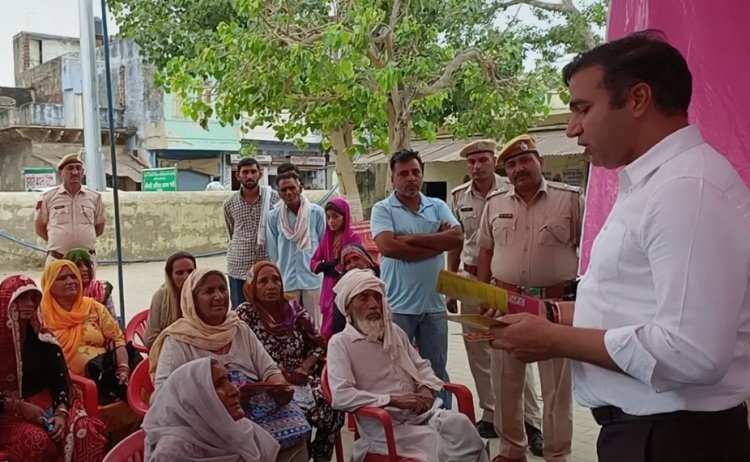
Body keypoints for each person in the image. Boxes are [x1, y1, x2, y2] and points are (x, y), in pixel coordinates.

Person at [486, 31, 750, 461]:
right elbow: (633, 306)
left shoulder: (686, 189)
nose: (572, 129)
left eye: (583, 109)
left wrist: (554, 340)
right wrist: (545, 314)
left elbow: (692, 352)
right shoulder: (656, 184)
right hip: (650, 433)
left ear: (638, 99)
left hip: (673, 440)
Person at [476, 133, 582, 462]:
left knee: (556, 389)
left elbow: (589, 252)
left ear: (541, 163)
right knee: (506, 384)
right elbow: (485, 250)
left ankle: (557, 453)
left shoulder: (571, 200)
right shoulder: (495, 203)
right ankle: (511, 451)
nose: (519, 168)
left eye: (525, 160)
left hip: (554, 307)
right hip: (506, 304)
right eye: (511, 164)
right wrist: (483, 294)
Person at [328, 269, 489, 462]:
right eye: (363, 298)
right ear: (348, 308)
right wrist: (393, 400)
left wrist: (425, 388)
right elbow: (341, 396)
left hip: (422, 415)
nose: (373, 305)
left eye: (377, 297)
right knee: (442, 445)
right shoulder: (340, 343)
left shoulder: (394, 332)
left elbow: (421, 367)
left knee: (461, 425)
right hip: (387, 426)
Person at [150, 268, 309, 461]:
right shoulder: (178, 340)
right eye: (209, 292)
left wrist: (279, 386)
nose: (219, 296)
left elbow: (268, 369)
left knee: (297, 431)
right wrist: (212, 397)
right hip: (206, 420)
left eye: (223, 289)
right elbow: (164, 395)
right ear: (192, 299)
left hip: (249, 407)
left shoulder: (238, 328)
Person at [447, 139, 544, 451]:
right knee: (477, 351)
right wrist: (451, 282)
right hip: (471, 281)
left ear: (494, 162)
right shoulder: (458, 196)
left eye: (483, 160)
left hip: (504, 285)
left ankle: (531, 422)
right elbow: (456, 241)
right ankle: (491, 413)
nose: (477, 166)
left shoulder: (509, 190)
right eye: (472, 162)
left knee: (514, 350)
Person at [370, 149, 462, 408]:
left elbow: (456, 238)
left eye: (415, 172)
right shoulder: (382, 209)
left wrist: (410, 238)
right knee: (397, 370)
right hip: (399, 308)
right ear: (393, 179)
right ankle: (405, 422)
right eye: (403, 174)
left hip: (434, 306)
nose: (410, 178)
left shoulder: (438, 206)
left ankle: (443, 421)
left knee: (436, 371)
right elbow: (389, 248)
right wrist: (437, 243)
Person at [237, 261, 345, 462]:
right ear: (252, 286)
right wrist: (278, 376)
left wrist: (304, 366)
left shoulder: (294, 310)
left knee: (333, 406)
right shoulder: (245, 315)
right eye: (263, 281)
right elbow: (243, 357)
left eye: (276, 280)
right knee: (294, 413)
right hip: (268, 385)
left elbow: (318, 345)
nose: (271, 286)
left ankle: (320, 457)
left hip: (302, 378)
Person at [0, 275, 107, 462]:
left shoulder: (43, 338)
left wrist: (61, 411)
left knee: (84, 429)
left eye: (33, 298)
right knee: (38, 441)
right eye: (21, 299)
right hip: (7, 413)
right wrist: (18, 405)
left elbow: (59, 379)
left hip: (47, 403)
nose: (29, 304)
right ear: (6, 302)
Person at [40, 260, 138, 440]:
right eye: (62, 278)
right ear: (49, 284)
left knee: (145, 387)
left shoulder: (93, 307)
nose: (70, 281)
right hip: (71, 381)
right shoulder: (41, 315)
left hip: (106, 373)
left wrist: (123, 367)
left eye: (73, 276)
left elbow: (117, 338)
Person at [144, 357, 281, 462]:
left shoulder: (240, 430)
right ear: (194, 399)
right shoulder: (172, 453)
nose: (235, 390)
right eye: (218, 385)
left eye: (229, 380)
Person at [267, 165, 326, 327]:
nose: (288, 192)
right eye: (283, 189)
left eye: (292, 188)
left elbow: (323, 246)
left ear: (300, 188)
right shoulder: (273, 217)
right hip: (287, 279)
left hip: (312, 278)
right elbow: (273, 252)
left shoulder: (317, 213)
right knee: (289, 324)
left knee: (314, 324)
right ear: (278, 192)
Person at [224, 157, 280, 307]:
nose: (249, 176)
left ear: (260, 174)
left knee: (268, 308)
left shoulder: (274, 198)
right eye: (245, 172)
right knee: (241, 309)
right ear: (238, 175)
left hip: (266, 262)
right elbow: (232, 231)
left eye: (253, 172)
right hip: (239, 265)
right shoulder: (229, 203)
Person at [34, 153, 106, 264]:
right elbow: (39, 227)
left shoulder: (95, 197)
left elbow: (99, 228)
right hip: (58, 259)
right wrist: (58, 242)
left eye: (78, 168)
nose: (75, 172)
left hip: (86, 261)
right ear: (61, 173)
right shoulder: (48, 197)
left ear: (83, 172)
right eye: (70, 168)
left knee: (88, 282)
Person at [310, 197, 362, 338]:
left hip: (347, 286)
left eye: (335, 216)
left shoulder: (353, 237)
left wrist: (340, 268)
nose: (331, 221)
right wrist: (325, 266)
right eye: (328, 217)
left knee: (346, 325)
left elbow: (357, 262)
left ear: (345, 217)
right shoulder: (327, 238)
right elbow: (313, 263)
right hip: (329, 287)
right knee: (327, 327)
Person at [144, 250, 197, 348]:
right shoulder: (160, 296)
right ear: (170, 277)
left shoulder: (204, 294)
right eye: (179, 273)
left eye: (190, 271)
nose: (186, 276)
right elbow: (150, 339)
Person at [330, 244, 381, 337]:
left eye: (356, 259)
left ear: (366, 260)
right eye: (348, 262)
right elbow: (338, 319)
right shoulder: (343, 285)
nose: (353, 265)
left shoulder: (380, 277)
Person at [64, 248, 116, 319]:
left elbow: (112, 322)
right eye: (78, 265)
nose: (85, 269)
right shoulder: (62, 293)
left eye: (87, 265)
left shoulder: (100, 290)